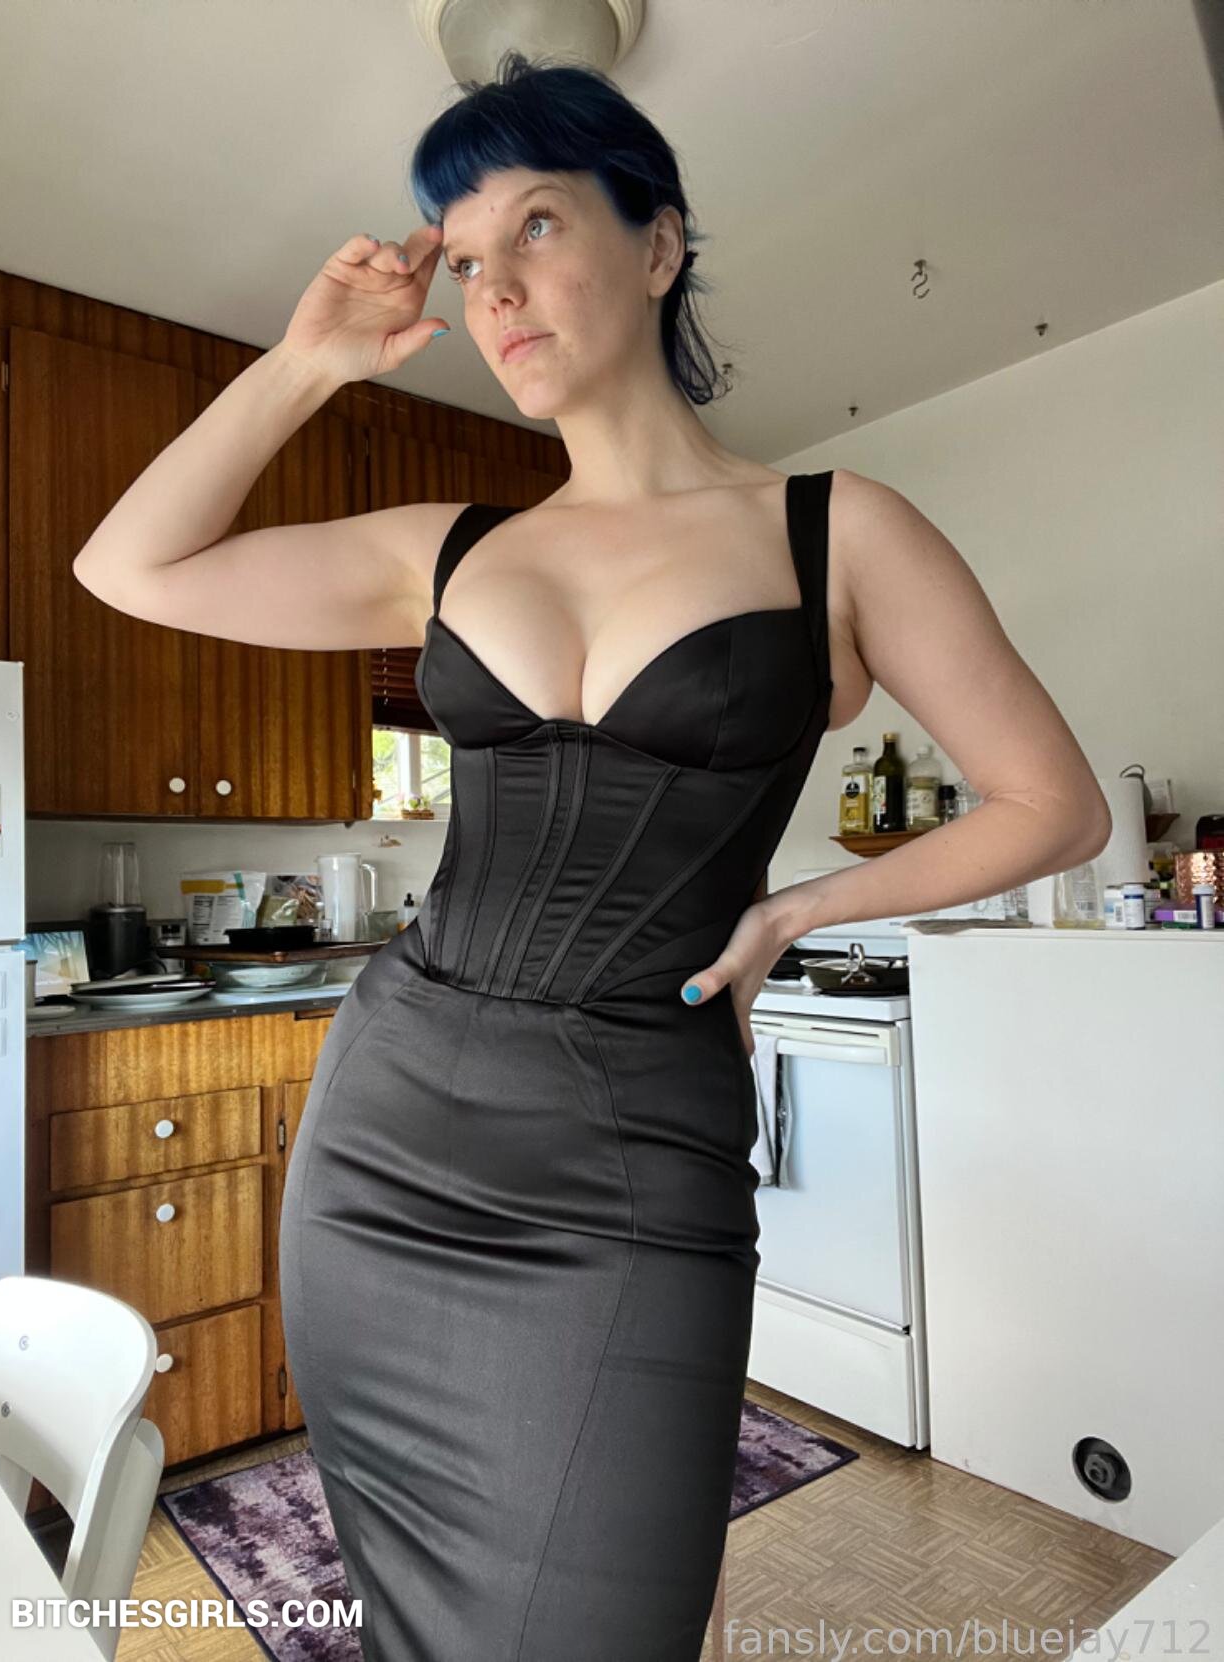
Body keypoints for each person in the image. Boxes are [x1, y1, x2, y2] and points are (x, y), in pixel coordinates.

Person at [72, 49, 1109, 1662]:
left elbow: (1054, 803)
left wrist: (795, 908)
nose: (493, 289)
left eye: (539, 226)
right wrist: (306, 362)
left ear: (660, 241)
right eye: (466, 259)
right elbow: (127, 564)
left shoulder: (837, 529)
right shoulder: (450, 549)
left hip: (636, 1146)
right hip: (389, 1131)